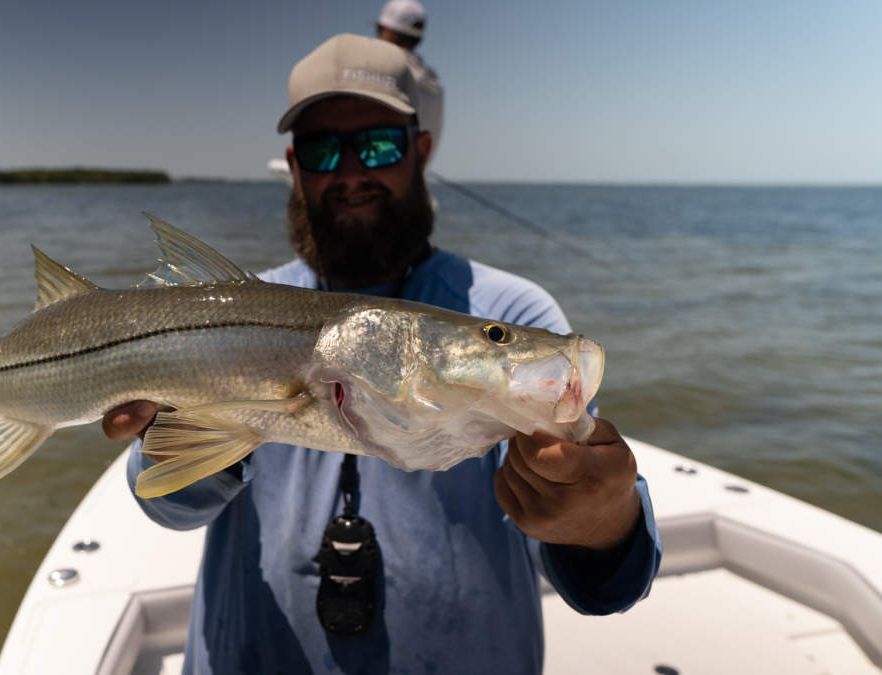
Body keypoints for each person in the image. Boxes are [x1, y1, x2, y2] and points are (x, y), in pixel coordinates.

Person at [103, 33, 661, 675]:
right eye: (321, 150)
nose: (350, 173)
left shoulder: (514, 314)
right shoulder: (222, 312)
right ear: (293, 166)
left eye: (377, 145)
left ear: (420, 151)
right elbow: (165, 504)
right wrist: (194, 431)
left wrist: (601, 522)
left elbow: (605, 582)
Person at [375, 0, 444, 164]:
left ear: (388, 31)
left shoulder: (380, 72)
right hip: (417, 185)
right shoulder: (434, 83)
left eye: (378, 29)